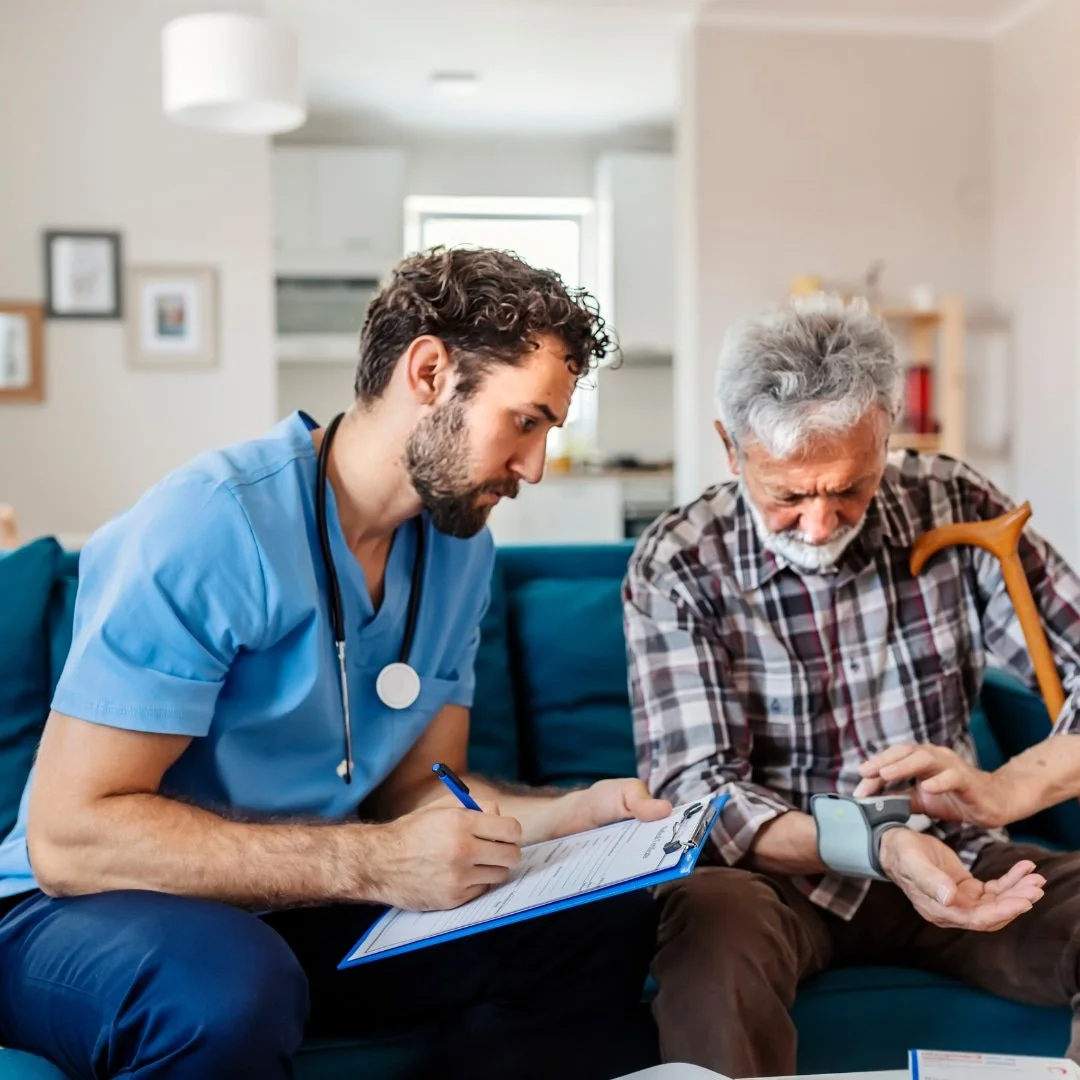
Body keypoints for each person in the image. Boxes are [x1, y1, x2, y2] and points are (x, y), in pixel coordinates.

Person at [0, 247, 671, 1080]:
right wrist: (378, 861)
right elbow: (71, 836)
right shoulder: (213, 524)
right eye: (525, 422)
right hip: (87, 906)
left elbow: (423, 789)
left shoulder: (459, 552)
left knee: (593, 926)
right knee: (230, 987)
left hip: (303, 901)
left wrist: (568, 818)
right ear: (428, 372)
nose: (534, 467)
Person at [623, 293, 1080, 1077]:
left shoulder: (956, 505)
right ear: (730, 448)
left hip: (959, 855)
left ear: (885, 434)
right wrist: (879, 843)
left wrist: (1005, 790)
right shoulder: (678, 563)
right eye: (790, 494)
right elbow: (698, 794)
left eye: (851, 488)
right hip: (776, 878)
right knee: (707, 928)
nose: (820, 525)